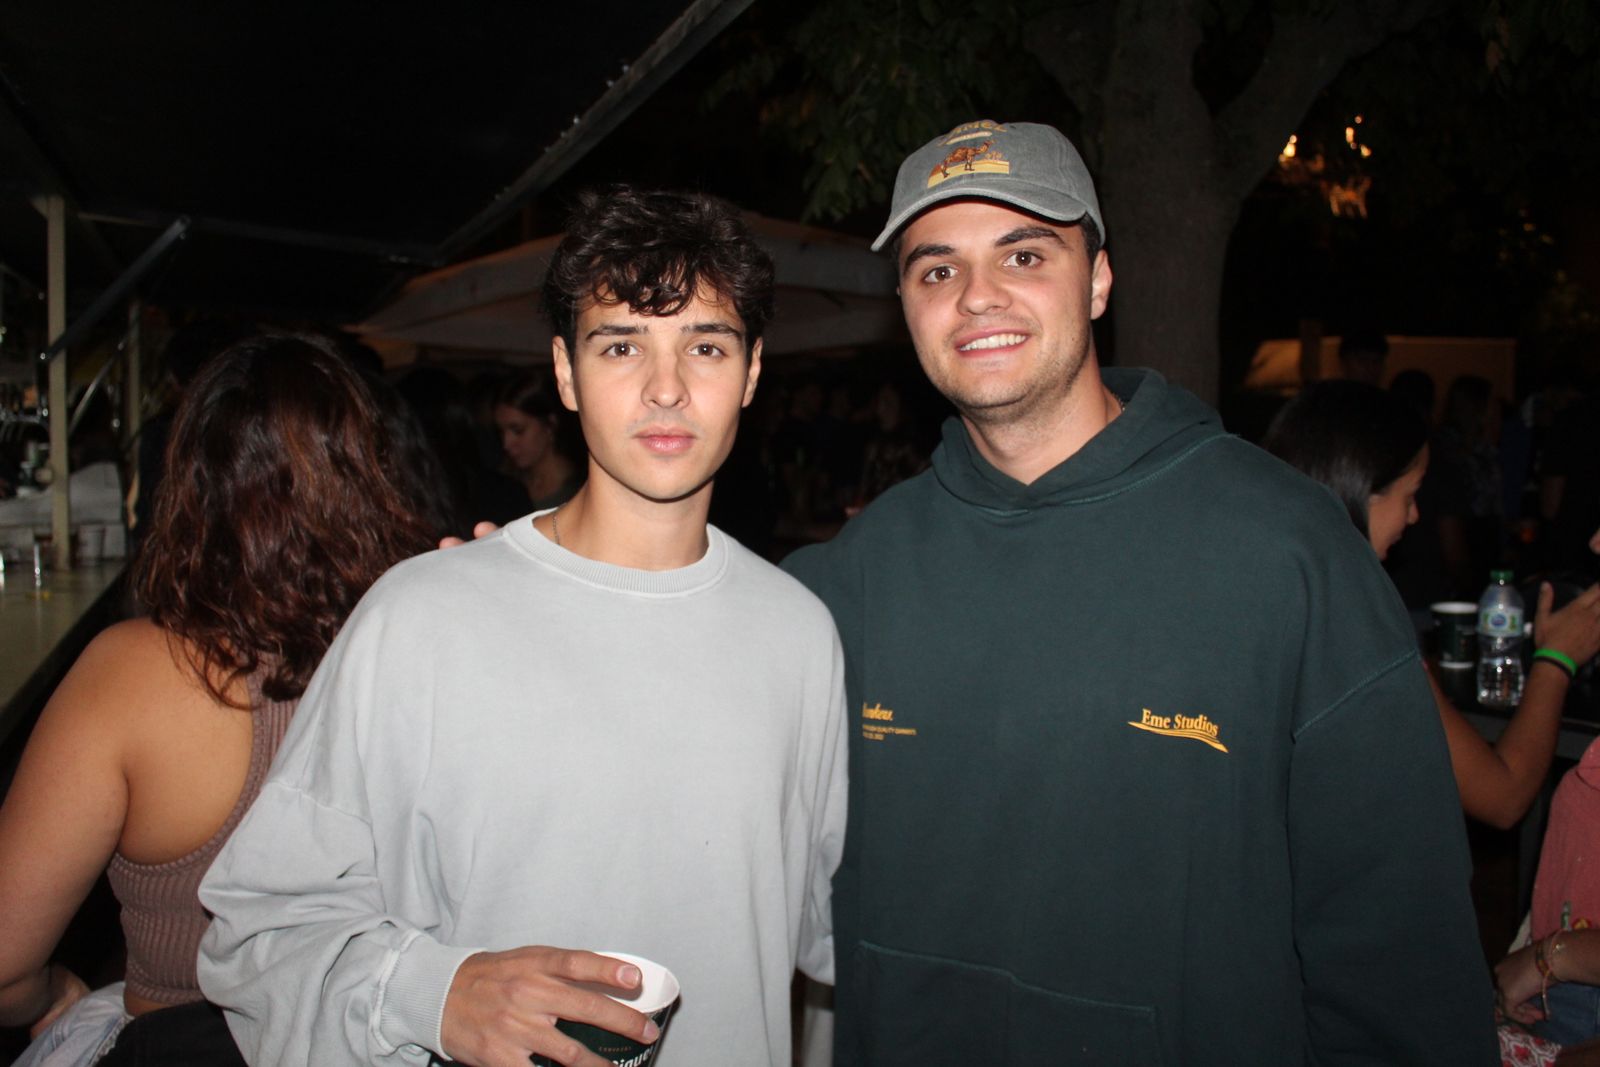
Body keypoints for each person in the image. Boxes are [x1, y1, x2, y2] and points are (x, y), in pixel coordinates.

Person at [780, 119, 1497, 1064]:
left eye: (1024, 253)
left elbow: (1397, 942)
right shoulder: (843, 581)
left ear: (1100, 278)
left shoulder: (1285, 549)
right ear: (906, 305)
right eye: (936, 269)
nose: (977, 297)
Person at [196, 186, 848, 1067]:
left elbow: (828, 943)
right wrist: (434, 993)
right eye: (622, 345)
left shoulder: (801, 635)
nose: (666, 387)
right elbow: (257, 928)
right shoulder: (421, 617)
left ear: (753, 373)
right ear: (567, 373)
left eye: (705, 345)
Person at [0, 334, 439, 1065]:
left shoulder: (133, 673)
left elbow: (5, 959)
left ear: (189, 483)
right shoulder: (425, 647)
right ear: (373, 477)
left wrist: (51, 997)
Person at [1264, 380, 1600, 829]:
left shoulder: (1261, 604)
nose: (1415, 515)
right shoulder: (1362, 637)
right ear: (1358, 492)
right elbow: (1505, 795)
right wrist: (1556, 658)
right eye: (1410, 494)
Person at [492, 370, 585, 513]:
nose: (506, 444)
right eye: (501, 432)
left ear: (550, 424)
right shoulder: (505, 481)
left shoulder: (579, 493)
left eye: (518, 430)